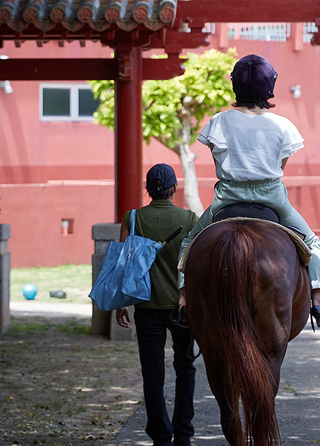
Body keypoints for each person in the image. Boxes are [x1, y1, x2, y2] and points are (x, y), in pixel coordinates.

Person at [176, 54, 320, 324]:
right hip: (272, 198)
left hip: (226, 199)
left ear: (235, 86)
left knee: (189, 243)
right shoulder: (283, 125)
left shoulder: (218, 121)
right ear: (269, 87)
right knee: (311, 242)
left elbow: (216, 155)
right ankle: (317, 300)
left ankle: (183, 301)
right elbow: (280, 164)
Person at [115, 163, 200, 446]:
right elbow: (195, 266)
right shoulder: (189, 219)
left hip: (146, 307)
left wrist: (121, 303)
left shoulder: (133, 218)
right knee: (185, 366)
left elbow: (124, 265)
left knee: (153, 374)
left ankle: (161, 437)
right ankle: (183, 435)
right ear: (174, 188)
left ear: (148, 190)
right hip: (181, 307)